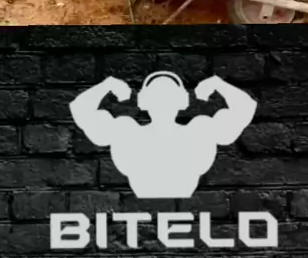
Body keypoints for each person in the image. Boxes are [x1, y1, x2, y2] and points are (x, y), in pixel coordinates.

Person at [69, 72, 257, 199]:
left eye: (166, 97)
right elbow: (79, 110)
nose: (162, 102)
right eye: (159, 97)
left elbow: (246, 109)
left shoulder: (198, 131)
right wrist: (217, 85)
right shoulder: (128, 132)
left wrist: (107, 86)